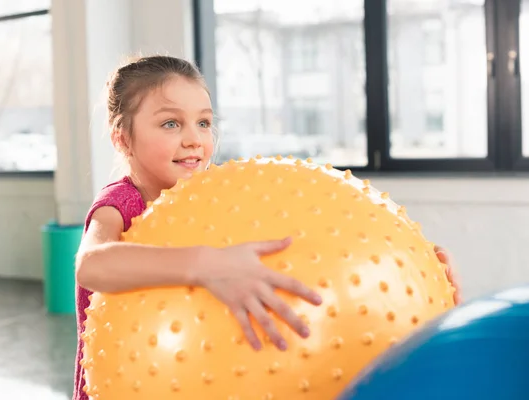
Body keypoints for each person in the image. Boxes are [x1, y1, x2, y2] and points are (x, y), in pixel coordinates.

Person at [72, 55, 461, 400]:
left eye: (204, 122)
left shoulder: (215, 198)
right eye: (171, 123)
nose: (194, 139)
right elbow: (91, 265)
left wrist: (414, 277)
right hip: (134, 380)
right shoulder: (119, 204)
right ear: (123, 139)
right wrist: (207, 265)